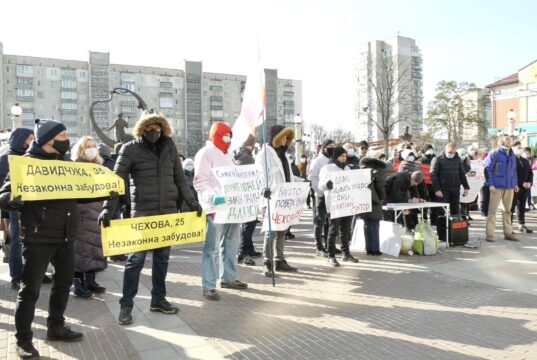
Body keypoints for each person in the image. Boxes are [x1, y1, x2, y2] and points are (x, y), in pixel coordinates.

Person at [99, 111, 202, 325]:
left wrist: (192, 202)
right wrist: (108, 209)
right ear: (141, 129)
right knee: (135, 261)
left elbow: (180, 179)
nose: (153, 131)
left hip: (167, 214)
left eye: (157, 128)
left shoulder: (169, 146)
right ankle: (126, 306)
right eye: (149, 128)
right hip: (143, 215)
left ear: (163, 129)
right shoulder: (130, 149)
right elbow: (116, 182)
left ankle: (158, 300)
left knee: (162, 260)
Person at [0, 120, 84, 358]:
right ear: (49, 140)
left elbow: (79, 194)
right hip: (39, 236)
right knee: (30, 291)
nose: (67, 139)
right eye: (64, 135)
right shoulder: (27, 164)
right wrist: (11, 200)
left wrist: (102, 192)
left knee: (63, 283)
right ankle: (23, 340)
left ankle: (56, 326)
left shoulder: (66, 163)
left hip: (67, 235)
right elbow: (4, 193)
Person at [194, 121, 248, 301]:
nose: (228, 140)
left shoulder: (229, 156)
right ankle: (209, 285)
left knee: (232, 244)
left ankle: (228, 277)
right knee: (212, 249)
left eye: (230, 137)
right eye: (225, 136)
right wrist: (212, 197)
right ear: (215, 135)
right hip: (216, 207)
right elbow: (200, 180)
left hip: (232, 207)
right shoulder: (206, 153)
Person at [256, 125, 299, 276]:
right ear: (276, 138)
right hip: (271, 197)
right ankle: (267, 262)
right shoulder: (264, 154)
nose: (286, 140)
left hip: (284, 198)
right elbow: (260, 174)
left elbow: (288, 175)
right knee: (271, 232)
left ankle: (279, 259)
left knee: (283, 231)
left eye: (288, 137)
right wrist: (264, 189)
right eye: (283, 137)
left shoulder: (284, 155)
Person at [71, 136, 108, 299]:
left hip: (97, 210)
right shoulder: (74, 167)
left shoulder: (100, 166)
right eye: (88, 146)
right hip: (82, 211)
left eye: (94, 146)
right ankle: (78, 283)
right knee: (80, 249)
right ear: (81, 149)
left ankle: (91, 280)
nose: (92, 149)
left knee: (95, 247)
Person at [0, 128, 34, 290]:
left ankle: (33, 273)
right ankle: (17, 276)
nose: (31, 142)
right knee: (17, 241)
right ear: (20, 139)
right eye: (29, 139)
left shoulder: (33, 157)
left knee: (34, 240)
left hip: (33, 204)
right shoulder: (5, 159)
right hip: (15, 207)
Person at [319, 147, 359, 266]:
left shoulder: (347, 168)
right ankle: (331, 255)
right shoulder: (327, 168)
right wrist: (327, 185)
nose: (344, 158)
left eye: (345, 156)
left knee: (345, 230)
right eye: (342, 156)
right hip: (335, 204)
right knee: (333, 231)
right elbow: (320, 184)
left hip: (347, 203)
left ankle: (346, 253)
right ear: (336, 156)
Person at [484, 135, 518, 242]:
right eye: (507, 140)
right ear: (501, 142)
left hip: (509, 187)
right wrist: (491, 184)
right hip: (497, 186)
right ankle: (490, 234)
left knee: (507, 211)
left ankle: (508, 233)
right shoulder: (494, 153)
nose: (509, 141)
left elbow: (514, 171)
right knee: (492, 211)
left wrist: (515, 184)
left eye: (510, 140)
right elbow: (488, 169)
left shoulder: (512, 153)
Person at [234, 134, 261, 266]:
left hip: (247, 195)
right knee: (248, 225)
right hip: (247, 196)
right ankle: (243, 251)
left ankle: (249, 248)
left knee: (250, 223)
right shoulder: (246, 157)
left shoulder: (243, 156)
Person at [308, 139, 336, 256]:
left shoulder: (333, 160)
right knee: (319, 221)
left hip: (331, 196)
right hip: (320, 195)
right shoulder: (317, 161)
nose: (332, 148)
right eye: (330, 146)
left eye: (333, 146)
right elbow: (312, 178)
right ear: (324, 147)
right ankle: (319, 247)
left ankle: (328, 245)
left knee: (328, 221)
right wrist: (320, 192)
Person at [430, 143, 470, 216]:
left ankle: (453, 226)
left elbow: (462, 174)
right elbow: (433, 175)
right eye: (450, 152)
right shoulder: (437, 159)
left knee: (455, 210)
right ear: (445, 150)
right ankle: (441, 226)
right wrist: (437, 189)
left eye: (453, 152)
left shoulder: (458, 159)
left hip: (455, 188)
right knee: (441, 210)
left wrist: (466, 187)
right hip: (442, 189)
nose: (451, 154)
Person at [359, 156, 386, 256]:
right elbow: (381, 186)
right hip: (375, 200)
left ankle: (369, 249)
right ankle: (375, 249)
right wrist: (382, 197)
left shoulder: (360, 171)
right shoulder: (377, 171)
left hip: (363, 200)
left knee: (366, 224)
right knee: (375, 224)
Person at [511, 141, 533, 233]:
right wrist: (521, 183)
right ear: (513, 149)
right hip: (515, 187)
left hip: (524, 188)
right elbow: (512, 174)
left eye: (521, 147)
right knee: (511, 208)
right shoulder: (511, 160)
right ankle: (509, 226)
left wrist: (529, 182)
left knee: (522, 207)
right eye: (518, 148)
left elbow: (530, 172)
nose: (520, 149)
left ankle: (522, 224)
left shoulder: (525, 160)